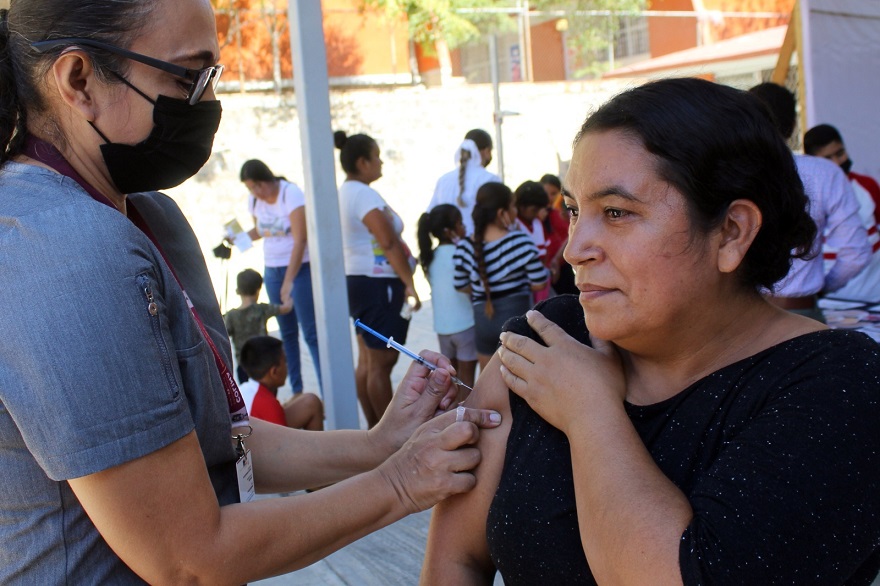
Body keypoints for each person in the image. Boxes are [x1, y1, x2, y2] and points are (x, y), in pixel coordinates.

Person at [0, 1, 503, 583]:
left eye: (214, 77)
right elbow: (189, 559)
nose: (208, 104)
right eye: (188, 78)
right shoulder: (65, 250)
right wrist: (399, 481)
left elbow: (213, 438)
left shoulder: (147, 219)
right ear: (79, 80)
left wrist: (381, 444)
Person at [422, 78, 880, 585]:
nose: (575, 249)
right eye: (575, 211)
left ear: (731, 232)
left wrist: (591, 412)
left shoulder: (838, 384)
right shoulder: (551, 337)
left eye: (616, 213)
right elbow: (456, 558)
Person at [748, 83, 871, 321]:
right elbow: (856, 252)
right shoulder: (825, 173)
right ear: (794, 125)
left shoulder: (729, 174)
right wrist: (821, 287)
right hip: (801, 309)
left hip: (738, 315)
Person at [335, 130, 422, 428]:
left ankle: (374, 429)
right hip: (377, 284)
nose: (381, 161)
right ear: (362, 162)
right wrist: (409, 283)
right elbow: (387, 241)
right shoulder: (362, 194)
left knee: (368, 363)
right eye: (376, 156)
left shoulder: (348, 191)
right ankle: (389, 435)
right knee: (381, 364)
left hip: (361, 282)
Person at [239, 158, 320, 394]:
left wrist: (289, 282)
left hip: (299, 268)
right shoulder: (254, 201)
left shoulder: (290, 194)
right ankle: (297, 390)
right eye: (250, 189)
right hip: (272, 268)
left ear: (267, 179)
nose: (255, 192)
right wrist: (238, 238)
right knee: (286, 333)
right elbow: (261, 230)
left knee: (311, 331)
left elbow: (300, 238)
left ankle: (328, 389)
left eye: (257, 186)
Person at [453, 182, 548, 370]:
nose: (515, 211)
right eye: (512, 206)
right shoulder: (519, 242)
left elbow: (460, 284)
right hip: (515, 323)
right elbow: (539, 282)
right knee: (516, 386)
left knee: (487, 384)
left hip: (483, 322)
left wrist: (484, 287)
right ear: (501, 212)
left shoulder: (464, 246)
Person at [805, 123, 880, 302]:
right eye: (828, 158)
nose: (837, 163)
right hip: (826, 303)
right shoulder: (804, 197)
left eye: (840, 153)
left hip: (873, 301)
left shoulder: (868, 186)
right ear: (813, 161)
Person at [417, 204, 478, 403]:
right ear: (448, 230)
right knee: (467, 382)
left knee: (451, 380)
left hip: (443, 328)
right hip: (466, 324)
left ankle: (451, 419)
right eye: (460, 223)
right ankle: (465, 423)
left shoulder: (429, 257)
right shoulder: (462, 252)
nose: (464, 227)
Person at [239, 336, 324, 431]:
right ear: (274, 372)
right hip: (254, 443)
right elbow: (283, 444)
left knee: (311, 402)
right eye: (285, 362)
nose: (287, 367)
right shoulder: (267, 405)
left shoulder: (246, 389)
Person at [224, 268, 293, 383]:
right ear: (258, 290)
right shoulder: (262, 309)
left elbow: (223, 334)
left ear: (238, 291)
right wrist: (287, 298)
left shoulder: (231, 316)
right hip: (265, 364)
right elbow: (285, 308)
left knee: (249, 397)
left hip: (244, 366)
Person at [427, 128, 500, 236]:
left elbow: (430, 214)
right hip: (480, 246)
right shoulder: (489, 179)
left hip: (449, 247)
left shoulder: (443, 180)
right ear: (486, 151)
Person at [540, 173, 577, 295]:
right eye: (545, 194)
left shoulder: (565, 212)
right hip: (545, 272)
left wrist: (557, 258)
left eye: (554, 193)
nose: (549, 198)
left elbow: (571, 235)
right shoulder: (536, 217)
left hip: (564, 268)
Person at [514, 180, 551, 303]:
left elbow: (545, 251)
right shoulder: (514, 225)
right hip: (525, 287)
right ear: (521, 207)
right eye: (534, 209)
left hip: (541, 283)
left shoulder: (537, 223)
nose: (537, 213)